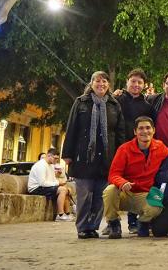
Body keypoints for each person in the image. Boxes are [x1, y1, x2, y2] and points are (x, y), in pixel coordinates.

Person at [62, 71, 125, 239]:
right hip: (84, 157)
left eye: (104, 81)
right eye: (97, 81)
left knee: (100, 196)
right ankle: (82, 227)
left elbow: (119, 132)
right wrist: (67, 154)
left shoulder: (114, 105)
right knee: (84, 195)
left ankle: (93, 227)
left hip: (106, 158)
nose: (101, 84)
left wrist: (121, 156)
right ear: (91, 84)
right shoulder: (81, 102)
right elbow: (72, 128)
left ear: (108, 85)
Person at [102, 116, 168, 238]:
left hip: (146, 194)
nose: (145, 131)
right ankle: (113, 223)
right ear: (135, 132)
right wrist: (122, 183)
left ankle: (143, 222)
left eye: (148, 128)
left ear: (154, 130)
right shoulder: (124, 149)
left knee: (157, 204)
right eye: (141, 128)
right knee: (109, 190)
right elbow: (113, 174)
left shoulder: (160, 146)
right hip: (125, 193)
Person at [111, 68, 153, 234]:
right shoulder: (116, 100)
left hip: (139, 150)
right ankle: (112, 222)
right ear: (127, 82)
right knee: (115, 184)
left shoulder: (147, 106)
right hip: (118, 147)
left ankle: (133, 221)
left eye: (139, 82)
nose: (136, 85)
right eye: (133, 81)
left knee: (137, 183)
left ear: (143, 85)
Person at [28, 148, 73, 221]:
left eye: (57, 159)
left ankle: (67, 214)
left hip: (44, 187)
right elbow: (42, 183)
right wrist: (58, 183)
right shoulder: (41, 165)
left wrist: (60, 184)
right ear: (49, 156)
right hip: (36, 188)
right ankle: (60, 215)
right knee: (62, 190)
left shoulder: (51, 165)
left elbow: (52, 179)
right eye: (55, 158)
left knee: (66, 189)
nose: (56, 161)